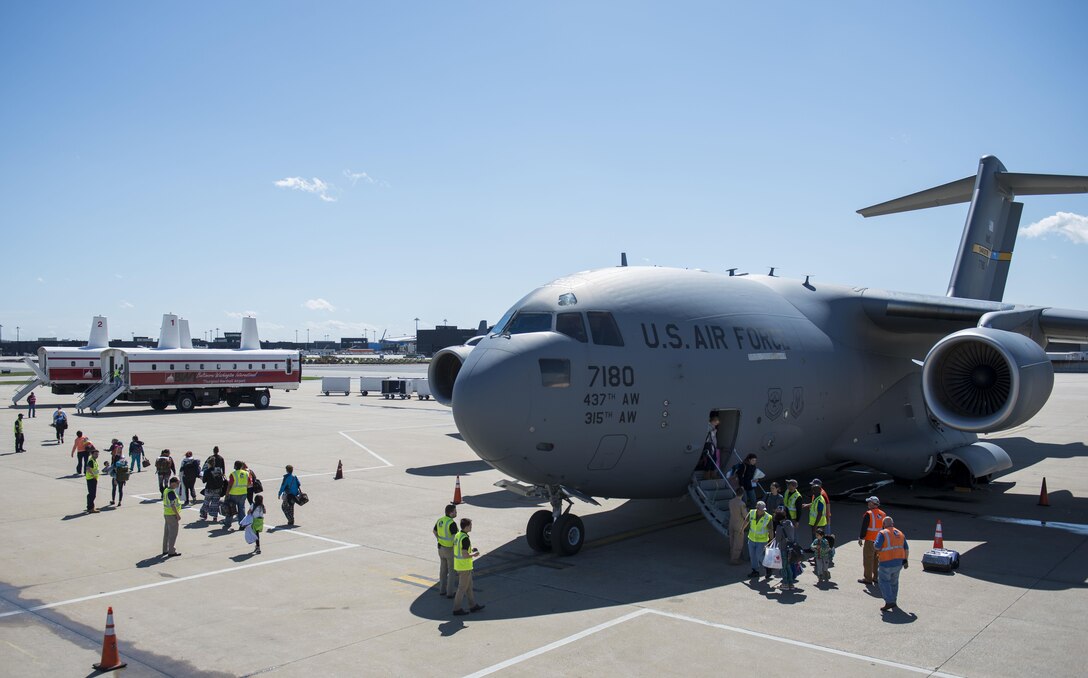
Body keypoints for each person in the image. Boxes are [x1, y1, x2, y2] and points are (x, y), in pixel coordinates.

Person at [874, 516, 908, 611]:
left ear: (884, 525)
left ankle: (889, 602)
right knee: (894, 582)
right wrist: (905, 561)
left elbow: (877, 546)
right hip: (898, 563)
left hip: (886, 562)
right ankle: (894, 600)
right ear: (892, 524)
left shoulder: (882, 533)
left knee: (884, 582)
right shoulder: (900, 533)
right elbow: (906, 548)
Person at [451, 518, 484, 615]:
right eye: (470, 525)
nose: (471, 527)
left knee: (469, 587)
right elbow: (465, 554)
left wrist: (471, 550)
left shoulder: (458, 535)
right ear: (466, 527)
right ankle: (456, 609)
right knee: (461, 588)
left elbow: (459, 549)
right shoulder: (465, 538)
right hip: (464, 566)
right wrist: (474, 554)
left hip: (460, 565)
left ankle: (472, 605)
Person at [857, 496, 887, 586]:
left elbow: (864, 527)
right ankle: (876, 577)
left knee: (868, 559)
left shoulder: (868, 514)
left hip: (870, 540)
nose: (868, 504)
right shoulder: (883, 514)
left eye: (869, 502)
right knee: (876, 560)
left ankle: (868, 578)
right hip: (879, 541)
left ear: (872, 504)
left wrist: (861, 537)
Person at [742, 500, 773, 580]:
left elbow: (770, 530)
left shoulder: (768, 517)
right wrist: (741, 529)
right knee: (753, 556)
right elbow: (746, 521)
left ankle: (768, 568)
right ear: (757, 508)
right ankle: (755, 571)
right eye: (761, 509)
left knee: (759, 556)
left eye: (764, 509)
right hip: (752, 539)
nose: (763, 511)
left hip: (762, 541)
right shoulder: (752, 512)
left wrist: (771, 541)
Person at [433, 504, 459, 598]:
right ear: (451, 513)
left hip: (440, 548)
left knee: (443, 570)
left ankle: (442, 590)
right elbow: (456, 538)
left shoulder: (440, 520)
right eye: (455, 511)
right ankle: (450, 592)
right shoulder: (451, 523)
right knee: (452, 571)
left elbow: (434, 531)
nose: (456, 513)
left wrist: (439, 539)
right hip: (449, 549)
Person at [775, 509, 798, 591]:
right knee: (789, 566)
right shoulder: (791, 524)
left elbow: (777, 539)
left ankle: (785, 583)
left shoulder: (780, 527)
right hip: (791, 548)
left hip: (784, 549)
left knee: (784, 567)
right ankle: (791, 583)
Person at [223, 461, 251, 529]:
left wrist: (226, 494)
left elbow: (229, 485)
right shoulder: (247, 473)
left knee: (230, 508)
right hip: (243, 493)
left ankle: (227, 523)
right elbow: (249, 483)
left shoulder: (233, 474)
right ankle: (242, 524)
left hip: (234, 494)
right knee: (241, 509)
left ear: (235, 466)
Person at [802, 479, 829, 548]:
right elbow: (814, 504)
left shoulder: (820, 499)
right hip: (816, 523)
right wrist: (807, 505)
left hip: (818, 524)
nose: (812, 491)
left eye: (813, 490)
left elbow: (819, 514)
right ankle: (815, 553)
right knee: (816, 541)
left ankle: (818, 555)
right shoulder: (817, 497)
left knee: (818, 542)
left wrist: (815, 525)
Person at [162, 477, 182, 558]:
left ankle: (165, 549)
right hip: (171, 514)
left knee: (166, 533)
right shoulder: (171, 493)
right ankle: (171, 551)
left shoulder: (166, 490)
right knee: (173, 533)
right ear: (173, 483)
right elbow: (172, 505)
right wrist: (177, 514)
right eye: (177, 483)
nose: (178, 485)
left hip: (167, 513)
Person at [727, 492, 747, 565]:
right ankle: (734, 559)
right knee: (738, 543)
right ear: (742, 494)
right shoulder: (742, 504)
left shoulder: (730, 501)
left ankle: (731, 555)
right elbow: (745, 516)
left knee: (731, 541)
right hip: (739, 524)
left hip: (731, 523)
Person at [85, 446, 101, 513]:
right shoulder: (91, 461)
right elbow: (88, 468)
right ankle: (90, 508)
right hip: (91, 479)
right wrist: (93, 475)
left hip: (93, 478)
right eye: (95, 454)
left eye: (97, 454)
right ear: (92, 454)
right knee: (92, 494)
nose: (97, 455)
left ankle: (90, 506)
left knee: (91, 494)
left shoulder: (94, 460)